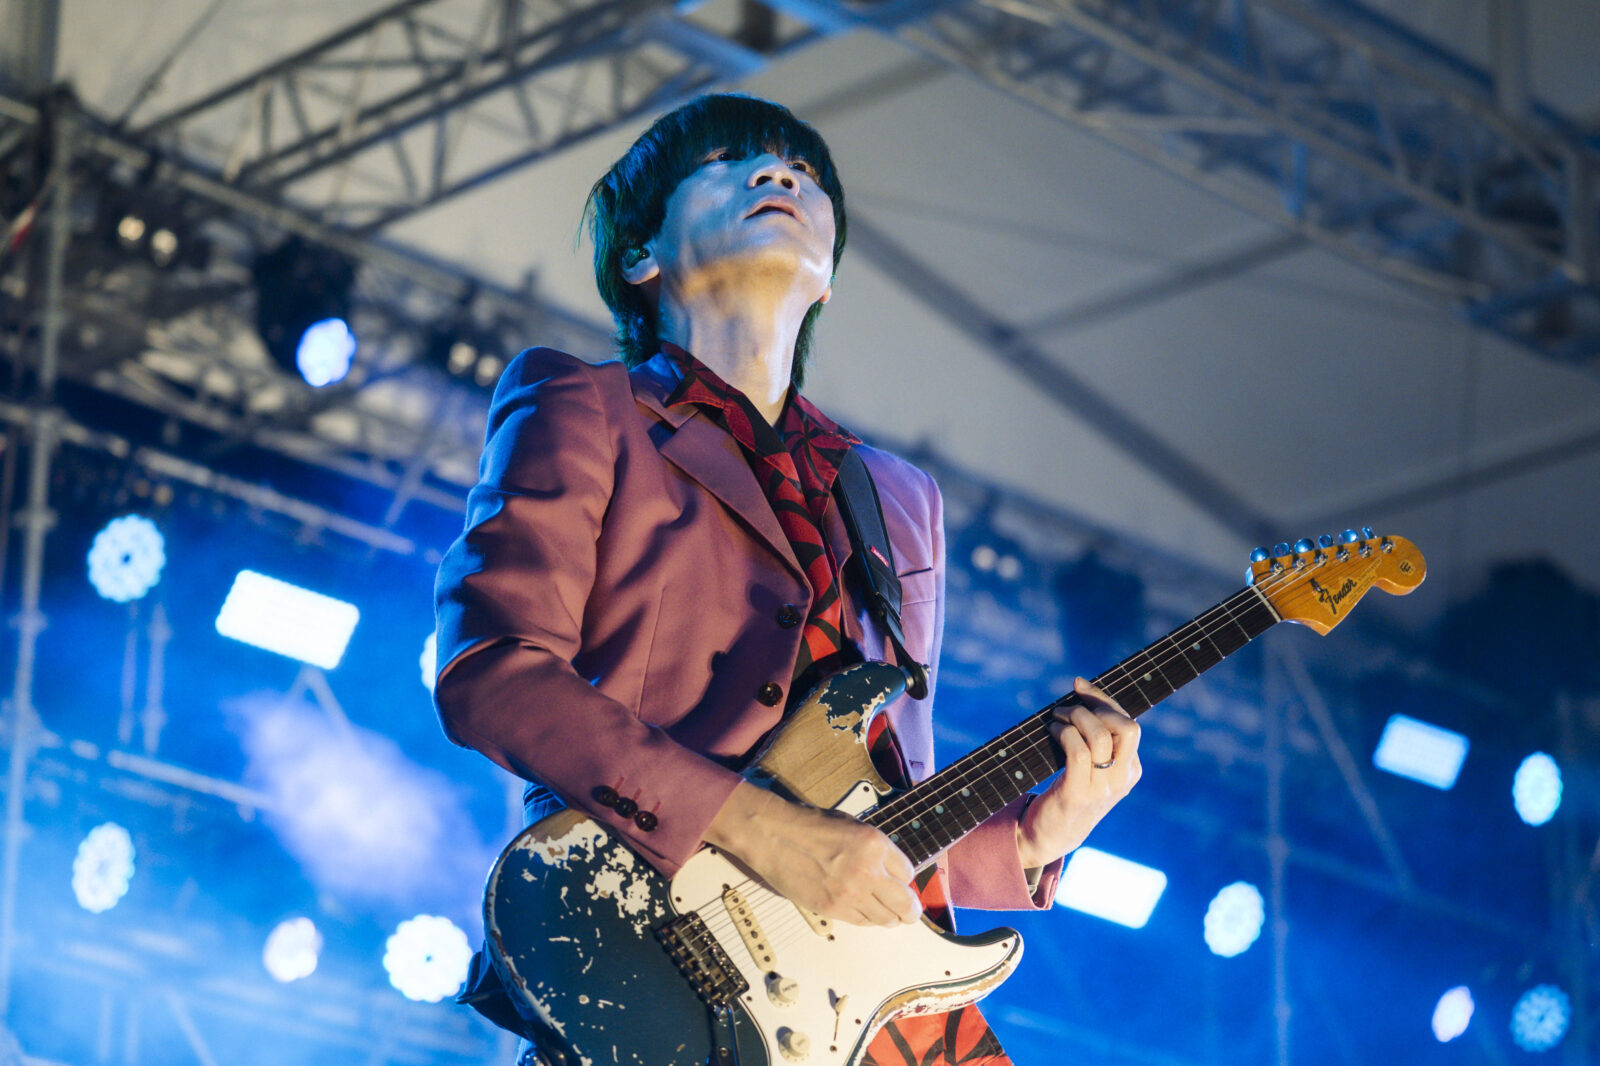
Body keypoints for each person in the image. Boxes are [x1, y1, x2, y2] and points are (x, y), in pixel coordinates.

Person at [433, 93, 1142, 1066]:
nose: (779, 176)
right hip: (656, 951)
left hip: (860, 993)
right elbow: (494, 677)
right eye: (726, 161)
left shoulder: (899, 498)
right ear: (640, 254)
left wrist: (1030, 838)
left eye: (804, 172)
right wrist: (760, 831)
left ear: (829, 274)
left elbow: (880, 799)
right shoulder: (583, 404)